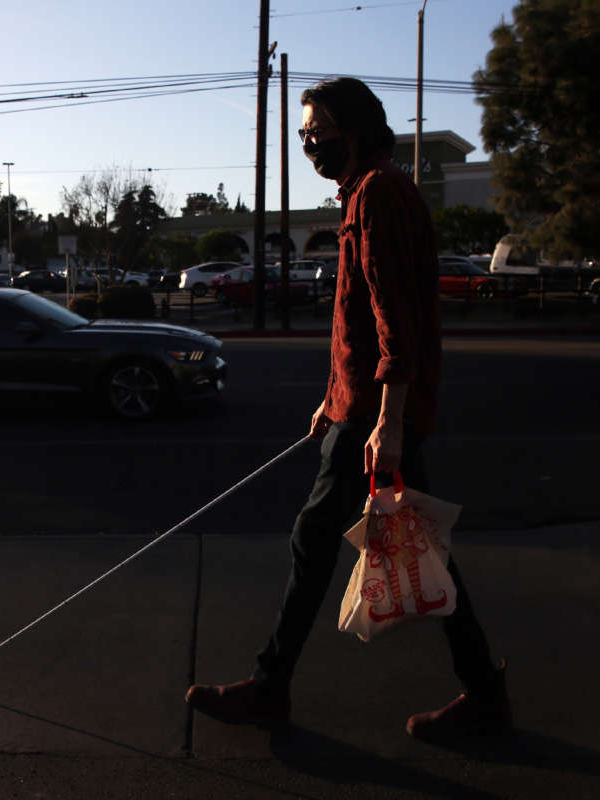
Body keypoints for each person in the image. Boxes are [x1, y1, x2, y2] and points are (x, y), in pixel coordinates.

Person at [184, 77, 511, 738]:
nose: (308, 144)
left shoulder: (378, 195)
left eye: (316, 133)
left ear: (352, 131)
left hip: (375, 416)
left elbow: (396, 321)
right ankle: (484, 694)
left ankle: (270, 688)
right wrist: (332, 402)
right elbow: (359, 325)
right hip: (359, 410)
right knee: (422, 549)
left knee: (315, 539)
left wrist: (384, 421)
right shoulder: (370, 192)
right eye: (303, 135)